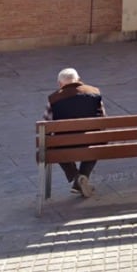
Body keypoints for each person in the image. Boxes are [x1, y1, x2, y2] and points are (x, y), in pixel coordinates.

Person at [45, 68, 105, 197]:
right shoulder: (95, 93)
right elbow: (102, 120)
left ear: (60, 84)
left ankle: (76, 178)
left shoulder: (53, 99)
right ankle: (82, 178)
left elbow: (46, 126)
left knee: (52, 145)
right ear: (78, 80)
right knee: (99, 140)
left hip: (66, 145)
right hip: (90, 141)